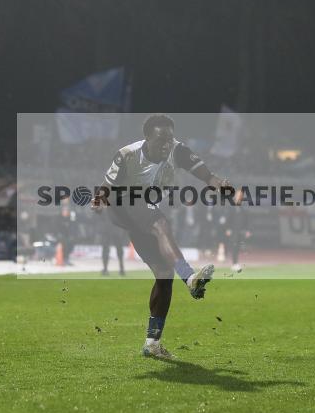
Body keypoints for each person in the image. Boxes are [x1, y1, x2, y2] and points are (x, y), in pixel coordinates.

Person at [92, 114, 231, 359]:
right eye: (161, 140)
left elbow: (204, 173)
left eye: (169, 139)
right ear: (147, 138)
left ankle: (152, 343)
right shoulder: (126, 154)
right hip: (121, 204)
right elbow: (107, 184)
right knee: (160, 223)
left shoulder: (177, 150)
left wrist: (217, 183)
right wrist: (100, 199)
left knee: (163, 275)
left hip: (142, 209)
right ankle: (189, 277)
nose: (166, 144)